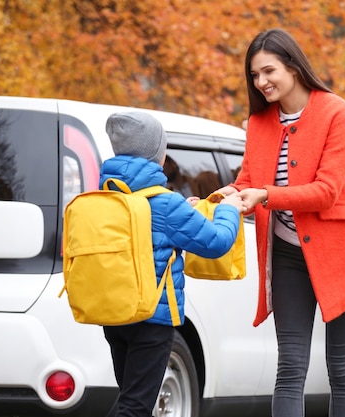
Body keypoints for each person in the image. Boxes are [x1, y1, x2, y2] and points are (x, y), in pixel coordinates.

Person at [216, 28, 345, 417]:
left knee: (342, 370)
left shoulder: (336, 112)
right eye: (255, 75)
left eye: (268, 71)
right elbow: (248, 181)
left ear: (292, 65)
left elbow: (326, 191)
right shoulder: (258, 122)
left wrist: (267, 196)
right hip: (289, 257)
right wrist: (221, 196)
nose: (261, 82)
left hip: (341, 255)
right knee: (290, 367)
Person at [99, 111, 246, 417]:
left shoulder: (106, 196)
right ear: (158, 152)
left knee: (131, 398)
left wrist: (186, 211)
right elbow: (216, 242)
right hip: (152, 319)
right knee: (136, 406)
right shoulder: (164, 203)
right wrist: (230, 208)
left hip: (114, 315)